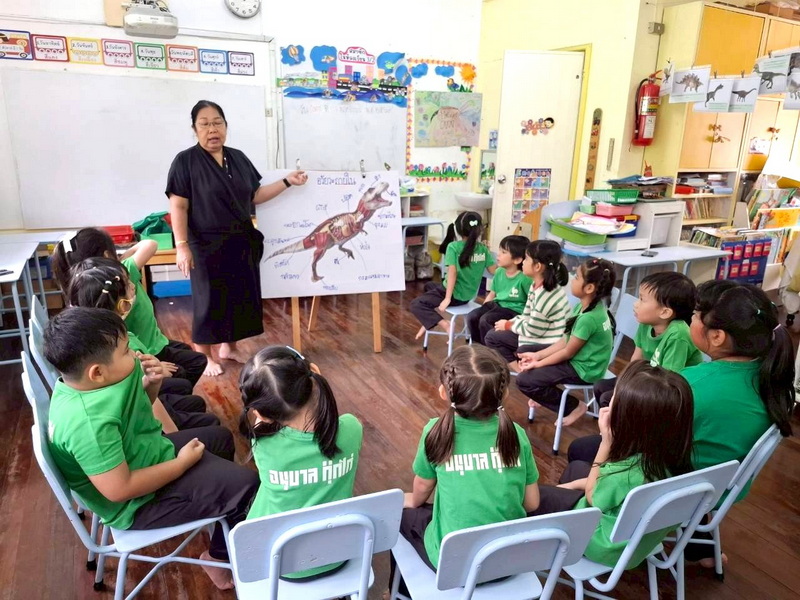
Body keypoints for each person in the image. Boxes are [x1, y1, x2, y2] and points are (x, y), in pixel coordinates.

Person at [568, 281, 795, 568]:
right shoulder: (769, 375)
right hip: (718, 483)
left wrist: (604, 452)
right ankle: (700, 547)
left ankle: (602, 523)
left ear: (717, 337)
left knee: (580, 452)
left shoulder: (690, 386)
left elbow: (636, 439)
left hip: (676, 486)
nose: (690, 320)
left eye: (695, 316)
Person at [43, 308, 259, 590]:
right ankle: (217, 557)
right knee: (249, 486)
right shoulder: (87, 424)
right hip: (136, 504)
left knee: (220, 439)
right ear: (97, 372)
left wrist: (152, 385)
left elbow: (130, 419)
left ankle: (218, 511)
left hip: (145, 457)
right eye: (126, 351)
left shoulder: (86, 387)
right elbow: (120, 489)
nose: (134, 354)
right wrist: (181, 464)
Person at [166, 100, 308, 377]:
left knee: (236, 298)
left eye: (217, 122)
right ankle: (204, 355)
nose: (212, 129)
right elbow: (178, 206)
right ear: (195, 129)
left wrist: (287, 181)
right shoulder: (185, 161)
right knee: (208, 301)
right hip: (204, 244)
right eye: (204, 124)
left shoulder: (238, 158)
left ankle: (228, 347)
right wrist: (181, 246)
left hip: (239, 241)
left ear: (226, 126)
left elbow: (255, 195)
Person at [530, 361, 694, 569]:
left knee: (537, 499)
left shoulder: (627, 475)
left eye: (615, 400)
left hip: (603, 545)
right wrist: (573, 485)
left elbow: (594, 496)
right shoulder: (670, 460)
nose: (607, 405)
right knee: (576, 468)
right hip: (637, 543)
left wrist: (606, 442)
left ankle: (545, 541)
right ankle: (563, 510)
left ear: (629, 420)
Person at [397, 345, 540, 580]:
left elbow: (422, 487)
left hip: (454, 567)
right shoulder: (517, 434)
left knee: (404, 516)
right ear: (504, 394)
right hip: (508, 563)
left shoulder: (434, 431)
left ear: (443, 392)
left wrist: (412, 500)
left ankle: (399, 591)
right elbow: (531, 503)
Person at [239, 345, 362, 579]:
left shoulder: (263, 445)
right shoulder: (352, 428)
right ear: (314, 372)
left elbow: (261, 426)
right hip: (339, 552)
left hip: (279, 560)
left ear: (261, 414)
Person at [66, 257, 219, 430]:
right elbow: (140, 398)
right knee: (213, 425)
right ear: (122, 305)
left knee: (192, 396)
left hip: (142, 400)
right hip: (143, 416)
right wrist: (173, 437)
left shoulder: (96, 335)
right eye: (128, 284)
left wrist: (153, 371)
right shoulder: (121, 342)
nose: (133, 286)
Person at [52, 228, 208, 387]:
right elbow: (150, 244)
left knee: (186, 354)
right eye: (129, 284)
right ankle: (174, 395)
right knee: (189, 368)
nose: (132, 286)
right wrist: (119, 260)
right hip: (147, 349)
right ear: (107, 255)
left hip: (148, 343)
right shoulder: (118, 276)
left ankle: (175, 392)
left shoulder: (83, 288)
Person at [516, 258, 616, 426]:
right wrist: (537, 355)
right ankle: (542, 391)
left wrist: (538, 363)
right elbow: (565, 341)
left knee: (524, 380)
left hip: (585, 370)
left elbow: (567, 352)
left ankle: (575, 406)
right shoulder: (585, 306)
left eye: (576, 277)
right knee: (525, 350)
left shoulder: (589, 318)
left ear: (589, 288)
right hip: (578, 359)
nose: (572, 279)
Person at [592, 271, 702, 407]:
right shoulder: (647, 323)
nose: (635, 304)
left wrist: (622, 393)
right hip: (650, 379)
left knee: (609, 399)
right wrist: (622, 386)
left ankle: (618, 419)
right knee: (601, 387)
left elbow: (668, 383)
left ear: (665, 312)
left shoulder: (678, 335)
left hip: (670, 393)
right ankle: (611, 418)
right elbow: (636, 360)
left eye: (642, 299)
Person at [485, 240, 570, 372]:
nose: (523, 262)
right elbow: (526, 315)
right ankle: (520, 369)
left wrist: (508, 325)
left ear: (537, 267)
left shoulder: (545, 295)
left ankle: (522, 371)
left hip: (550, 341)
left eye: (526, 259)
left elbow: (532, 330)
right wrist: (509, 323)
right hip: (540, 332)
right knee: (494, 334)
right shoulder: (536, 285)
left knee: (498, 340)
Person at [410, 212, 496, 339]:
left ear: (459, 229)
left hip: (453, 295)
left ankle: (445, 324)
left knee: (416, 304)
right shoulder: (483, 249)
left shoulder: (453, 247)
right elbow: (494, 271)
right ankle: (429, 320)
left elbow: (452, 273)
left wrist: (447, 298)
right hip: (468, 296)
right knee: (429, 285)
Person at [465, 235, 531, 345]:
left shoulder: (525, 278)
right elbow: (492, 293)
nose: (498, 254)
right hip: (496, 305)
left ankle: (489, 349)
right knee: (472, 316)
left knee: (485, 320)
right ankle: (478, 347)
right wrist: (483, 308)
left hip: (513, 311)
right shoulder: (499, 271)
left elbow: (531, 300)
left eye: (504, 252)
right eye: (499, 250)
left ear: (517, 259)